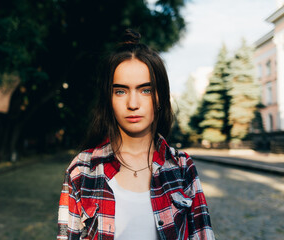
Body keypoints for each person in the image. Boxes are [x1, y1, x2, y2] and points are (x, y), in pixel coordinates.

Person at [57, 29, 215, 240]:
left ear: (160, 98)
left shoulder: (182, 167)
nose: (133, 104)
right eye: (120, 91)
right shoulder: (82, 169)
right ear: (109, 99)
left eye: (145, 90)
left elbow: (203, 235)